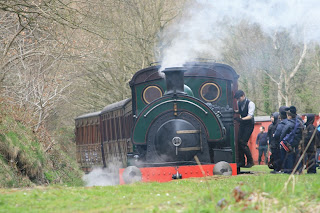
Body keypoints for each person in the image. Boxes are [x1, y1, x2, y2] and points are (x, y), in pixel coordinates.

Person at [234, 90, 255, 168]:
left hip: (249, 125)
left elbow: (250, 116)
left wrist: (241, 119)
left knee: (243, 142)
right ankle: (241, 161)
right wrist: (235, 112)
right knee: (239, 142)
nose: (238, 100)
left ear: (243, 96)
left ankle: (250, 161)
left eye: (239, 98)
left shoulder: (250, 103)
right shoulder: (239, 103)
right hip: (243, 124)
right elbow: (241, 111)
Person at [279, 106, 303, 174]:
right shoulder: (299, 122)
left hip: (289, 143)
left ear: (289, 115)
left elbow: (283, 133)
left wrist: (281, 141)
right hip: (297, 142)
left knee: (289, 157)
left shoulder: (289, 123)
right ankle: (298, 170)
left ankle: (288, 170)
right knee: (297, 156)